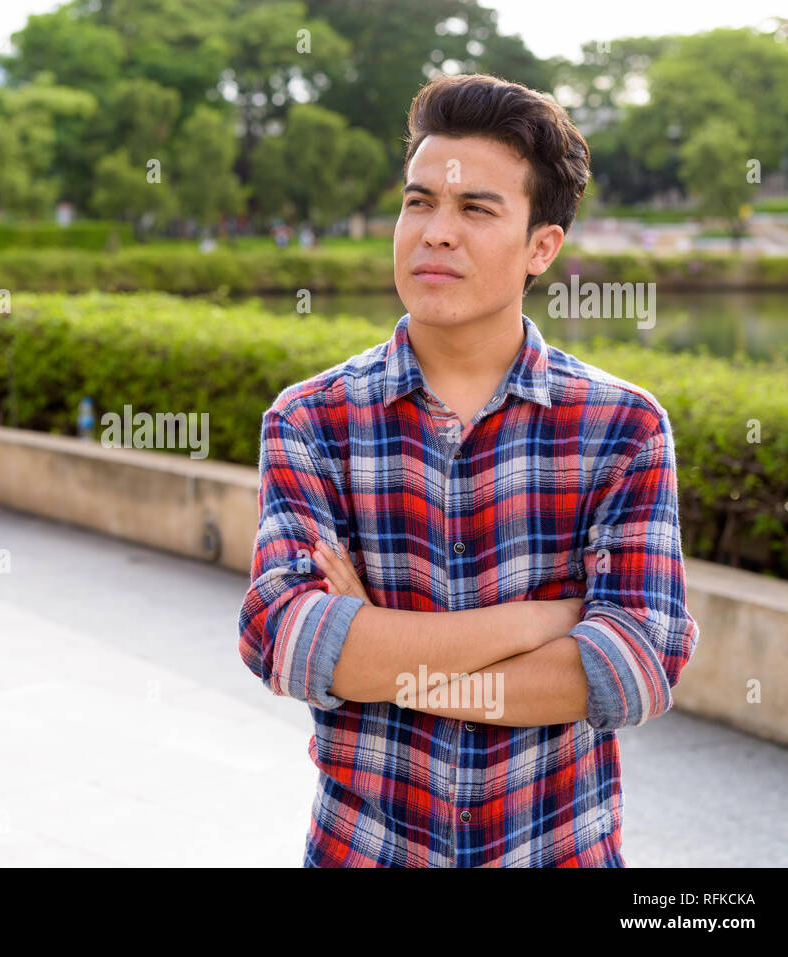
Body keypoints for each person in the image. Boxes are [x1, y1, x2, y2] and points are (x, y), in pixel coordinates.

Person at [238, 73, 699, 867]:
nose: (434, 232)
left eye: (474, 208)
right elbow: (286, 640)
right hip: (366, 847)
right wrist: (543, 622)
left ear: (541, 247)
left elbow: (635, 664)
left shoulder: (621, 427)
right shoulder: (312, 420)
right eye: (418, 202)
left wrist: (385, 663)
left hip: (554, 848)